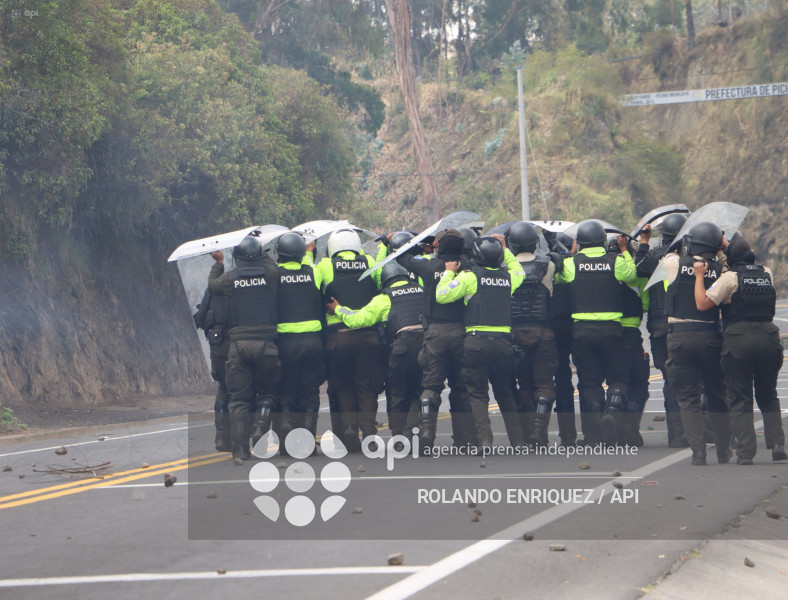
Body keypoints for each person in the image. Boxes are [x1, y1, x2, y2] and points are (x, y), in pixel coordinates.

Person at [692, 236, 787, 464]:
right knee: (768, 394)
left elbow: (703, 303)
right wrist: (730, 247)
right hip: (769, 337)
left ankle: (745, 453)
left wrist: (699, 276)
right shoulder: (766, 273)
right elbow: (742, 258)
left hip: (738, 340)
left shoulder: (729, 278)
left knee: (740, 397)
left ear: (731, 258)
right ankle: (777, 445)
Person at [436, 235, 526, 448]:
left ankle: (485, 439)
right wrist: (505, 249)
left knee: (478, 395)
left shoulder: (470, 277)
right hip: (503, 344)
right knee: (505, 392)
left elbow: (442, 295)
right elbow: (520, 271)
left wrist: (448, 272)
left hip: (476, 343)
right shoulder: (508, 278)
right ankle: (518, 441)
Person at [555, 220, 637, 446]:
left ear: (579, 243)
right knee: (619, 378)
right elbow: (632, 276)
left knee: (590, 383)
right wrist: (624, 252)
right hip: (612, 330)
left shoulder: (572, 264)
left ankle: (597, 429)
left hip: (582, 332)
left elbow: (559, 279)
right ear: (603, 241)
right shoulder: (615, 261)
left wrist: (571, 255)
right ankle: (612, 411)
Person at [396, 229, 477, 450]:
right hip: (462, 333)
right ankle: (465, 439)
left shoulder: (428, 266)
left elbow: (401, 257)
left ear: (438, 246)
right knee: (461, 388)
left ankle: (426, 434)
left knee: (430, 386)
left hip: (434, 334)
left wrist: (419, 246)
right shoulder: (469, 268)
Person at [327, 262, 424, 439]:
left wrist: (338, 309)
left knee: (399, 393)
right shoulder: (422, 291)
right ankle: (414, 430)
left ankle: (400, 436)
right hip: (426, 346)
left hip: (402, 348)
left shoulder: (385, 298)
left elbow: (357, 320)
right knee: (420, 391)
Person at [662, 221, 730, 465]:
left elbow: (668, 251)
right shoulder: (722, 270)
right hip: (710, 336)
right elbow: (730, 263)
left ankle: (698, 453)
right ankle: (723, 450)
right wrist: (722, 249)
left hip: (679, 338)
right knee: (716, 394)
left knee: (688, 398)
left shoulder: (674, 263)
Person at [208, 236, 280, 463]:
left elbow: (212, 286)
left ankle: (240, 450)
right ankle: (259, 430)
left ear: (236, 257)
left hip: (238, 347)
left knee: (239, 399)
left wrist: (218, 263)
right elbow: (271, 265)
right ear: (258, 256)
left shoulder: (229, 278)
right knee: (266, 394)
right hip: (267, 346)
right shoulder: (269, 275)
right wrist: (262, 249)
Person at [315, 229, 383, 452]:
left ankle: (350, 428)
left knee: (344, 385)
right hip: (368, 337)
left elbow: (314, 286)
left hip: (338, 338)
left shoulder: (325, 265)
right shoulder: (370, 261)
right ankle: (369, 432)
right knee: (367, 386)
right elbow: (381, 283)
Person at [636, 214, 689, 447]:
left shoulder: (655, 256)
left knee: (669, 379)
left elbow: (637, 270)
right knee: (691, 381)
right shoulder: (692, 258)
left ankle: (675, 435)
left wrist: (644, 242)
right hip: (687, 325)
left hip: (659, 326)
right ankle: (695, 431)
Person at [507, 222, 561, 446]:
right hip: (543, 332)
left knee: (524, 384)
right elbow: (564, 258)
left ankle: (527, 433)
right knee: (545, 383)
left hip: (514, 334)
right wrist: (553, 240)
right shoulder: (548, 265)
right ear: (534, 242)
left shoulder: (504, 269)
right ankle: (539, 432)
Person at [275, 232, 325, 449]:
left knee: (286, 388)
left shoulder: (274, 276)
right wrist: (309, 251)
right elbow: (309, 268)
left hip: (285, 343)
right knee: (310, 392)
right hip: (312, 342)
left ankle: (286, 421)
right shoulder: (313, 273)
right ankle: (308, 443)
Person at [608, 235, 649, 447]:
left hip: (609, 334)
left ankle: (611, 416)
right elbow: (646, 305)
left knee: (617, 380)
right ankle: (629, 427)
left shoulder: (602, 275)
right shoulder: (637, 277)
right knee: (639, 382)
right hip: (631, 334)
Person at [548, 231, 577, 446]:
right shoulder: (574, 267)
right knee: (584, 381)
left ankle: (564, 435)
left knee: (557, 380)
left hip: (552, 330)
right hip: (574, 327)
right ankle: (573, 436)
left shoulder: (545, 270)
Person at [193, 286, 231, 452]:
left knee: (223, 388)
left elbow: (200, 319)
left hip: (219, 348)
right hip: (240, 346)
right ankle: (242, 438)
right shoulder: (245, 283)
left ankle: (222, 437)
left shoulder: (213, 289)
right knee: (243, 393)